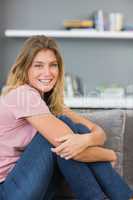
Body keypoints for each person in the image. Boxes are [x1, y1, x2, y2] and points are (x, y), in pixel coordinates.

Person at [0, 35, 132, 200]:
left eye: (53, 65)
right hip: (8, 191)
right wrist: (110, 155)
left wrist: (85, 140)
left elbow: (97, 132)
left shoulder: (50, 104)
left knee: (74, 128)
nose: (47, 73)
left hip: (36, 186)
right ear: (25, 68)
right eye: (38, 66)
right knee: (62, 130)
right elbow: (71, 150)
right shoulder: (23, 95)